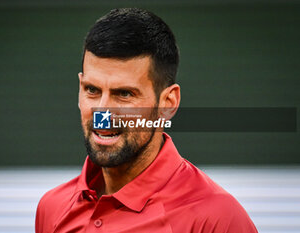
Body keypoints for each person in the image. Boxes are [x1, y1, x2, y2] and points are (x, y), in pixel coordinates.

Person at [35, 8, 258, 233]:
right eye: (92, 90)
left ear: (168, 103)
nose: (102, 114)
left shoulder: (216, 220)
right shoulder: (52, 208)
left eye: (124, 94)